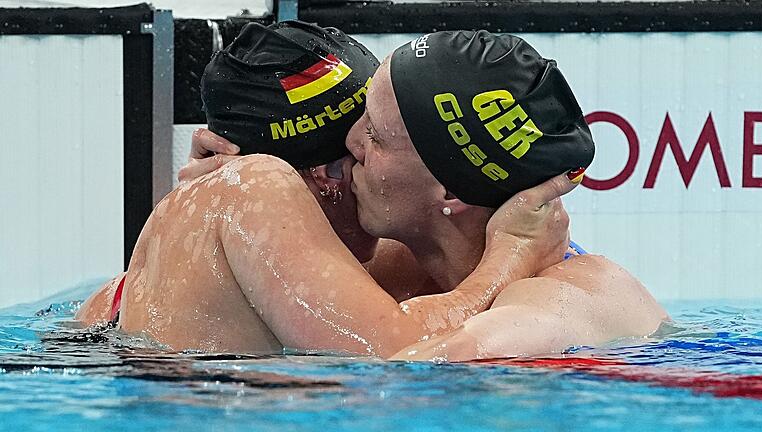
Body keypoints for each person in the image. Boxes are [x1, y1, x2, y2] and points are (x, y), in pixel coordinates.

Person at [76, 22, 575, 357]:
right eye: (352, 159)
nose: (361, 181)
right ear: (311, 174)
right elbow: (396, 354)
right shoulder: (258, 185)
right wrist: (510, 256)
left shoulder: (117, 295)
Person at [183, 30, 668, 361]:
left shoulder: (560, 303)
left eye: (374, 134)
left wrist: (511, 259)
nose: (353, 145)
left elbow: (406, 372)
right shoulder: (405, 267)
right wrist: (214, 218)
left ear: (451, 188)